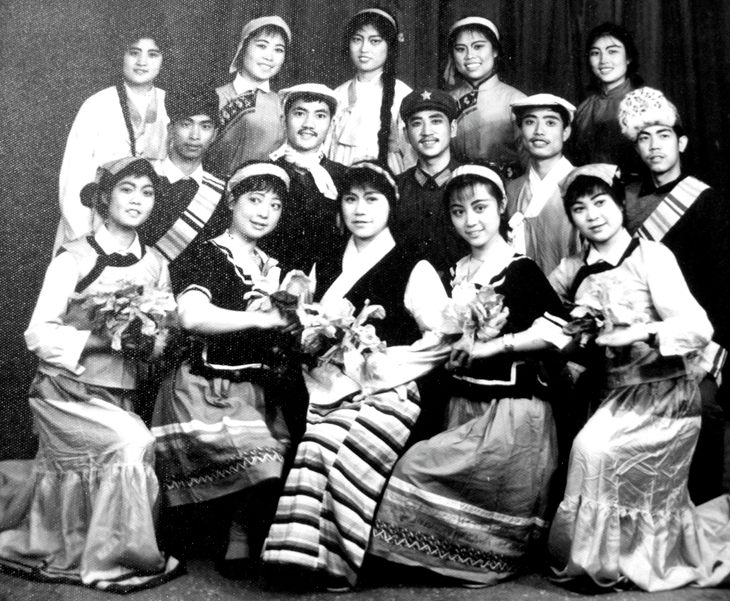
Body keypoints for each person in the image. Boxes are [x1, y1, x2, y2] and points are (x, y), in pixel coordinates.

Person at [546, 166, 730, 591]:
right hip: (613, 396)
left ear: (620, 205)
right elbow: (548, 320)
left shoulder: (651, 256)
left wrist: (641, 332)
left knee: (596, 449)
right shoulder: (573, 270)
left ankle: (632, 558)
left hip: (666, 395)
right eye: (579, 209)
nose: (593, 215)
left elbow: (698, 328)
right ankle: (602, 559)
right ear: (571, 219)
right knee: (589, 451)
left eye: (601, 203)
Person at [368, 164, 566, 587]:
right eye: (458, 212)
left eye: (480, 208)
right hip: (465, 406)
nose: (470, 221)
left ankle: (484, 556)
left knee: (417, 467)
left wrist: (497, 345)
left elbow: (559, 332)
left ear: (501, 206)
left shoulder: (520, 269)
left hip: (511, 415)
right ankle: (443, 556)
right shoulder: (457, 270)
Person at [262, 162, 450, 592]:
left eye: (372, 199)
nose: (360, 210)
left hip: (389, 392)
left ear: (391, 206)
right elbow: (302, 322)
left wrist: (386, 363)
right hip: (325, 387)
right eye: (350, 199)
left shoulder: (413, 263)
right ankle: (302, 559)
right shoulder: (326, 259)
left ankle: (331, 561)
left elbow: (443, 337)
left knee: (324, 444)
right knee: (315, 442)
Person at [0, 158, 182, 592]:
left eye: (147, 193)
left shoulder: (156, 264)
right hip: (65, 392)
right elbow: (38, 333)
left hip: (119, 394)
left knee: (131, 443)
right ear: (104, 198)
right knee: (133, 442)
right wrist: (105, 340)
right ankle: (116, 556)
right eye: (126, 189)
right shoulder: (75, 258)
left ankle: (94, 542)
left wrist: (152, 342)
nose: (136, 200)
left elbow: (164, 333)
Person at [150, 163, 305, 578]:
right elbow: (191, 316)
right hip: (202, 386)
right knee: (260, 458)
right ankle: (194, 537)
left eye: (275, 205)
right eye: (254, 200)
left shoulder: (271, 265)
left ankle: (237, 538)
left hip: (252, 387)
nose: (264, 212)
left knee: (277, 457)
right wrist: (260, 320)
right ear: (232, 201)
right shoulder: (207, 254)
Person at [618, 87, 730, 505]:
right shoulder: (625, 200)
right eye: (644, 138)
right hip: (636, 337)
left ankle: (705, 513)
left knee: (703, 409)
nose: (654, 145)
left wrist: (707, 358)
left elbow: (721, 289)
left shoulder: (705, 200)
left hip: (689, 340)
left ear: (681, 142)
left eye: (663, 135)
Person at [55, 21, 171, 253]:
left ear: (163, 60)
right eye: (134, 53)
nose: (142, 62)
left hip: (149, 222)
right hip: (95, 221)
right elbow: (74, 176)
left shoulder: (169, 105)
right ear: (122, 56)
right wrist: (84, 238)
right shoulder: (97, 104)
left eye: (152, 54)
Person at [141, 83, 226, 263]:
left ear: (215, 134)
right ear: (171, 129)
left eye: (205, 126)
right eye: (186, 124)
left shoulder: (221, 191)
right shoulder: (143, 178)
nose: (195, 136)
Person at [267, 83, 348, 272]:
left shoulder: (344, 177)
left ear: (332, 124)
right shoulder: (265, 171)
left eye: (320, 116)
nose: (308, 124)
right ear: (283, 119)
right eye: (299, 113)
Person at [327, 7, 415, 174]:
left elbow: (412, 154)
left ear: (390, 46)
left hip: (387, 175)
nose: (364, 49)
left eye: (374, 41)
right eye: (357, 39)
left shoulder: (403, 94)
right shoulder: (337, 94)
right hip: (340, 174)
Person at [506, 93, 583, 276]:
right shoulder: (511, 189)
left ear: (566, 132)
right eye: (530, 122)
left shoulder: (584, 182)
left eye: (550, 122)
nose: (539, 131)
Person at [394, 87, 468, 278]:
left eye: (436, 121)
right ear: (406, 134)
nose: (427, 131)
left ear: (453, 128)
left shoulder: (471, 181)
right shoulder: (395, 188)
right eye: (417, 123)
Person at [206, 16, 290, 179]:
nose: (269, 57)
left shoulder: (282, 105)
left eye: (278, 50)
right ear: (243, 48)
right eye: (262, 46)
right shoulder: (213, 97)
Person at [446, 16, 526, 178]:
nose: (469, 55)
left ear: (495, 51)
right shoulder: (446, 101)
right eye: (460, 49)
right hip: (456, 183)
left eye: (478, 46)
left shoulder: (517, 101)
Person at [568, 22, 643, 174]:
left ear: (628, 58)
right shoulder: (583, 109)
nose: (603, 60)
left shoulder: (647, 103)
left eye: (612, 51)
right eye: (595, 53)